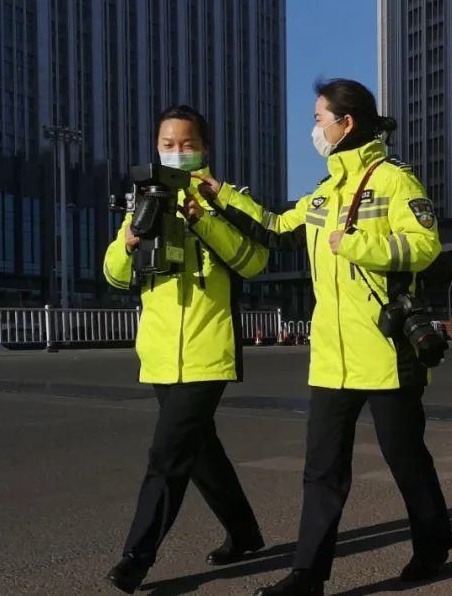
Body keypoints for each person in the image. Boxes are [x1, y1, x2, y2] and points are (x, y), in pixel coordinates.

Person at [249, 79, 452, 596]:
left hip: (387, 352)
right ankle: (307, 576)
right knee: (321, 470)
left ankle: (433, 545)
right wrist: (220, 195)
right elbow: (276, 225)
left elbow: (425, 246)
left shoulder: (394, 181)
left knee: (405, 459)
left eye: (319, 118)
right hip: (333, 357)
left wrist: (358, 243)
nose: (314, 129)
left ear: (347, 123)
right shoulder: (323, 192)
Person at [102, 104, 270, 593]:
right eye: (168, 145)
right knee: (199, 451)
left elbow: (254, 262)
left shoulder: (225, 198)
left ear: (205, 148)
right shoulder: (143, 198)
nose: (177, 152)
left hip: (207, 349)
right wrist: (130, 239)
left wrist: (203, 221)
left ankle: (136, 557)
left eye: (187, 144)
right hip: (158, 353)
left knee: (168, 455)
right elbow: (114, 275)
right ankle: (245, 533)